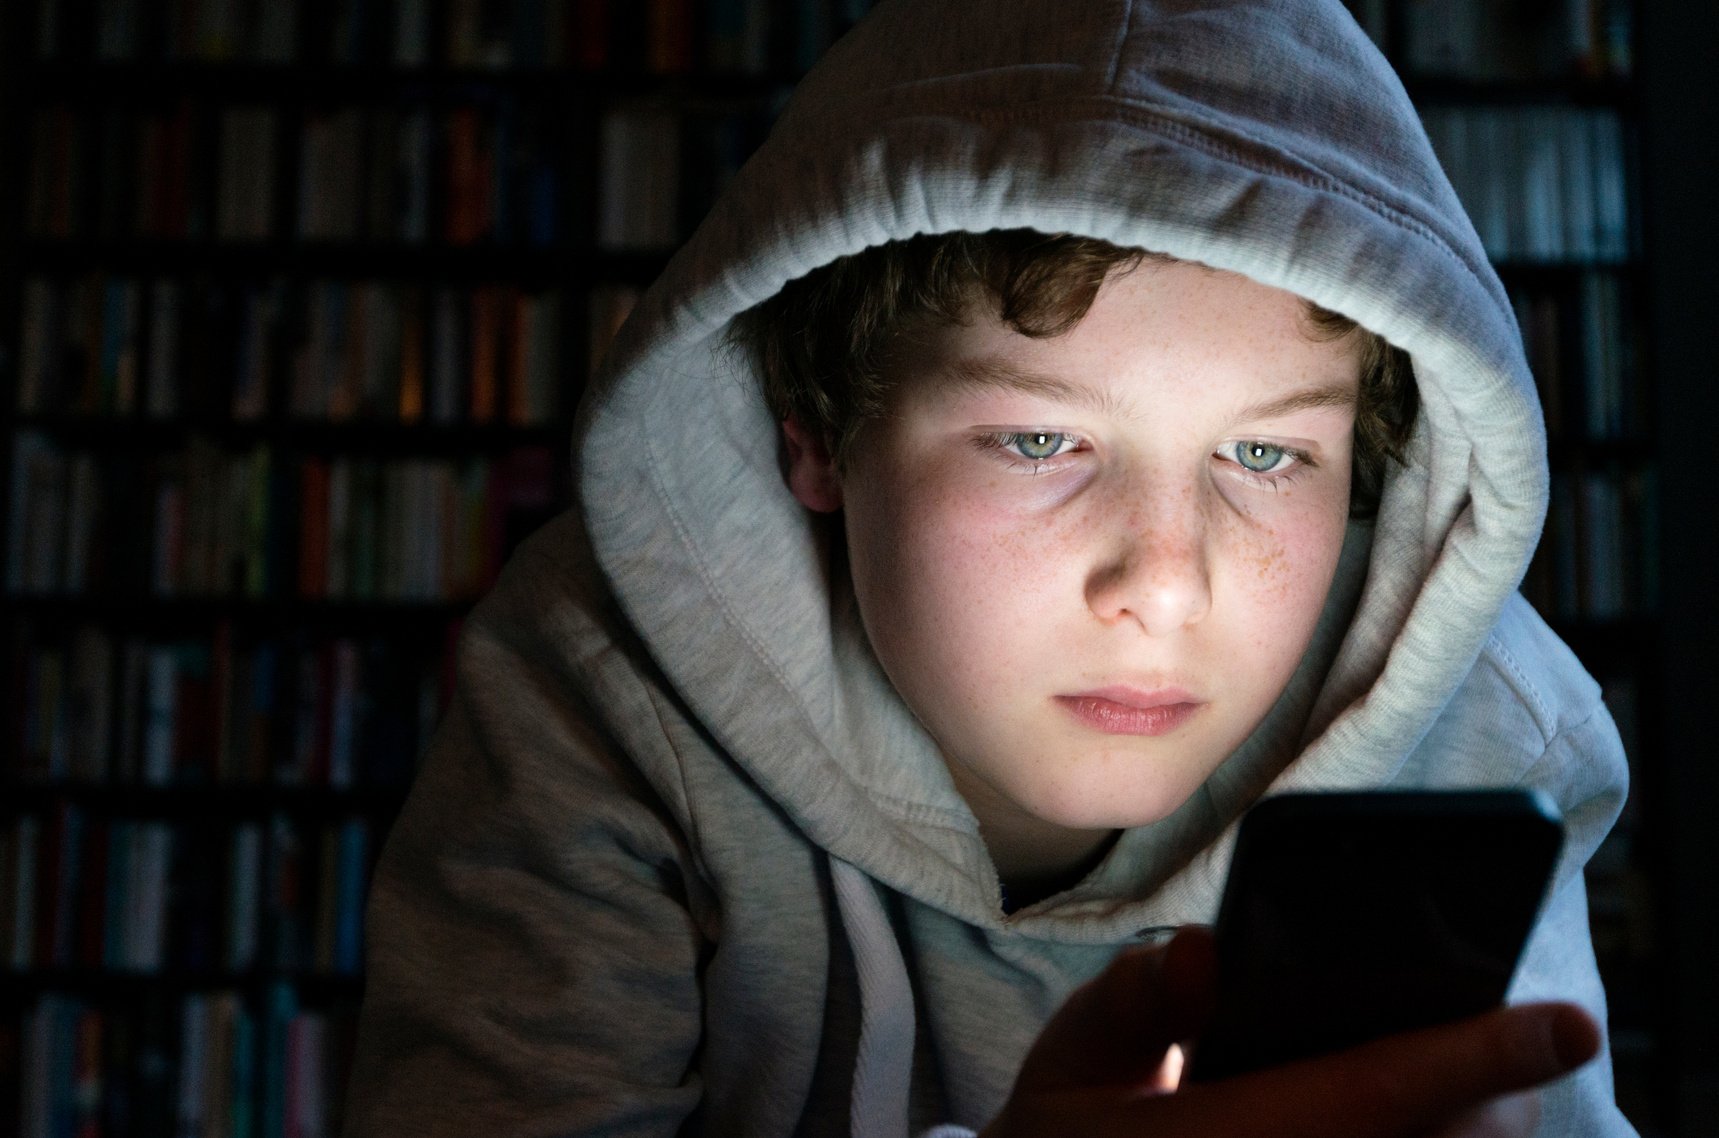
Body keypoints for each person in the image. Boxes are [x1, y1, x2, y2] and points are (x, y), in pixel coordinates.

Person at [342, 0, 1634, 1134]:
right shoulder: (597, 698)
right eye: (1038, 437)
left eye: (1264, 450)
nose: (1167, 582)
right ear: (820, 432)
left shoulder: (1476, 737)